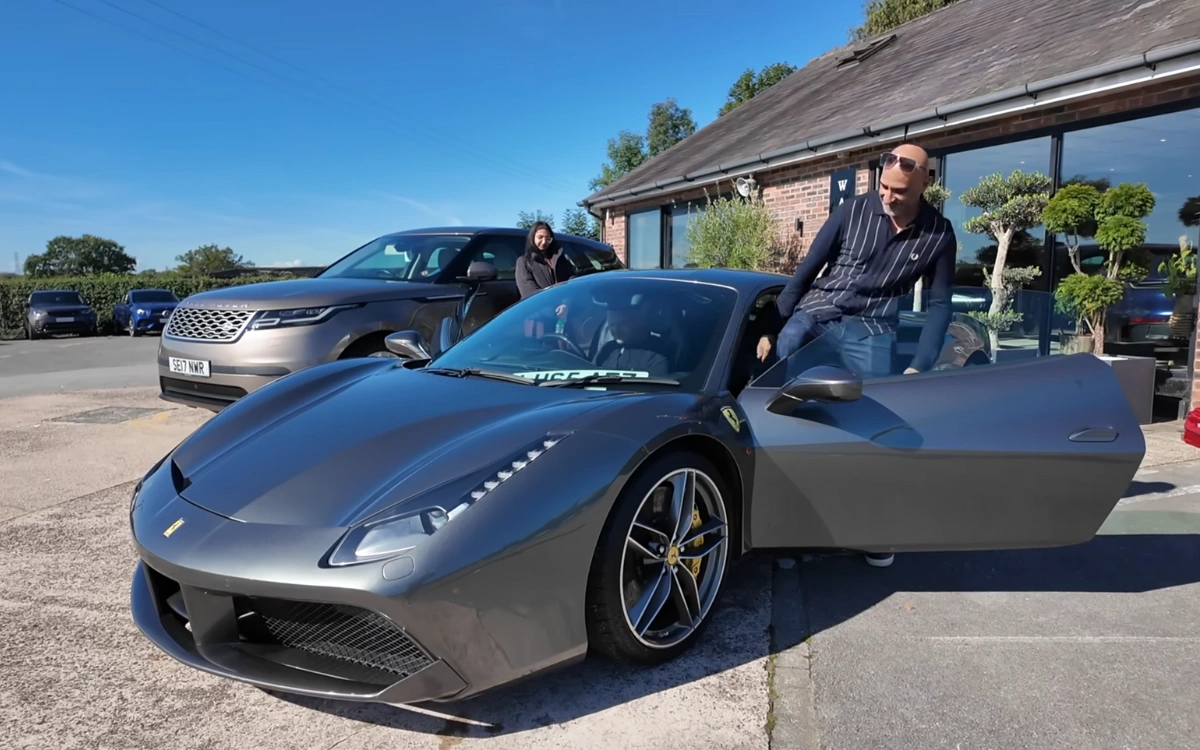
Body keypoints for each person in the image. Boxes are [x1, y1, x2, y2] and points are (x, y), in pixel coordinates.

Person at [757, 143, 957, 568]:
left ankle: (872, 528)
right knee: (786, 386)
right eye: (884, 187)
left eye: (899, 191)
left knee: (875, 425)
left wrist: (919, 365)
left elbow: (940, 306)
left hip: (873, 329)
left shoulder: (940, 235)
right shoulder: (852, 210)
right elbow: (806, 271)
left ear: (925, 183)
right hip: (817, 315)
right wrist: (771, 328)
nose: (888, 197)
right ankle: (784, 524)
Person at [516, 221, 576, 337]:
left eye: (548, 238)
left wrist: (566, 303)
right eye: (540, 237)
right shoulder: (524, 262)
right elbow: (529, 293)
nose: (544, 242)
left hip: (562, 316)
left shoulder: (560, 260)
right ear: (532, 237)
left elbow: (571, 282)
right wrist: (554, 306)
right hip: (538, 319)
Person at [593, 300, 672, 377]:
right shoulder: (607, 350)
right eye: (612, 325)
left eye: (622, 324)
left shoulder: (656, 354)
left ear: (638, 322)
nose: (616, 330)